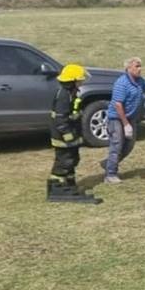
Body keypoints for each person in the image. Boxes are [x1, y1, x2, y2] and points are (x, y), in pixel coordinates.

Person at [101, 57, 145, 184]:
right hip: (117, 118)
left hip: (130, 117)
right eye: (137, 66)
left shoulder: (140, 80)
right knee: (117, 145)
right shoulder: (122, 83)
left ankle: (108, 163)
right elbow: (118, 105)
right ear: (128, 68)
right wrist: (125, 124)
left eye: (140, 66)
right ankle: (110, 175)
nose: (140, 69)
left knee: (129, 145)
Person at [47, 64, 101, 204]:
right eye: (80, 80)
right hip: (63, 136)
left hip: (71, 133)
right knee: (64, 161)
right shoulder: (64, 95)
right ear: (72, 81)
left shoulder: (71, 92)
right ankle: (57, 187)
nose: (81, 82)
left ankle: (68, 184)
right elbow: (60, 118)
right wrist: (68, 135)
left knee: (73, 159)